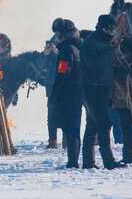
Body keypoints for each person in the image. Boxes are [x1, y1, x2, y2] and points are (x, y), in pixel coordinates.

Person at [80, 14, 126, 170]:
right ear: (103, 28)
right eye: (111, 29)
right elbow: (92, 64)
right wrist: (108, 52)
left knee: (92, 126)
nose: (113, 32)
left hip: (104, 88)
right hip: (92, 89)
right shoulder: (90, 42)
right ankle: (109, 162)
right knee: (105, 123)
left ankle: (88, 162)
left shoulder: (105, 42)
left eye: (114, 29)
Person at [48, 18, 83, 168]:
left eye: (58, 34)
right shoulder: (78, 47)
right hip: (78, 93)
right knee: (75, 127)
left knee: (70, 128)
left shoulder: (67, 50)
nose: (56, 38)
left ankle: (73, 161)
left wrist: (54, 93)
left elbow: (62, 73)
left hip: (68, 95)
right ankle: (73, 160)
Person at [36, 36, 61, 149]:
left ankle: (67, 141)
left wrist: (57, 52)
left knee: (66, 113)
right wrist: (45, 54)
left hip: (65, 85)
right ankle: (52, 141)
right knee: (51, 114)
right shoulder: (48, 51)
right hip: (51, 85)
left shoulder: (68, 47)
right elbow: (40, 65)